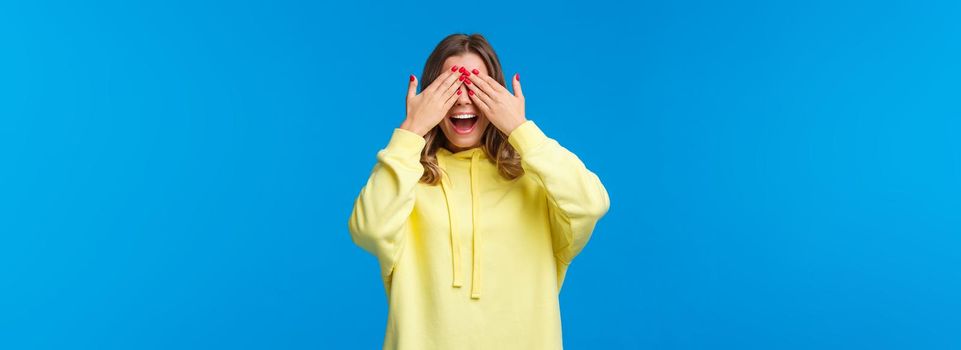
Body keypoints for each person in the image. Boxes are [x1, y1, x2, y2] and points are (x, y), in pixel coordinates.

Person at [348, 33, 610, 349]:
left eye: (476, 86)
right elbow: (368, 229)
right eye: (449, 87)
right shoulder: (406, 179)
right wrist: (411, 130)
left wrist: (520, 129)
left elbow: (591, 204)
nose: (462, 99)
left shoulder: (535, 180)